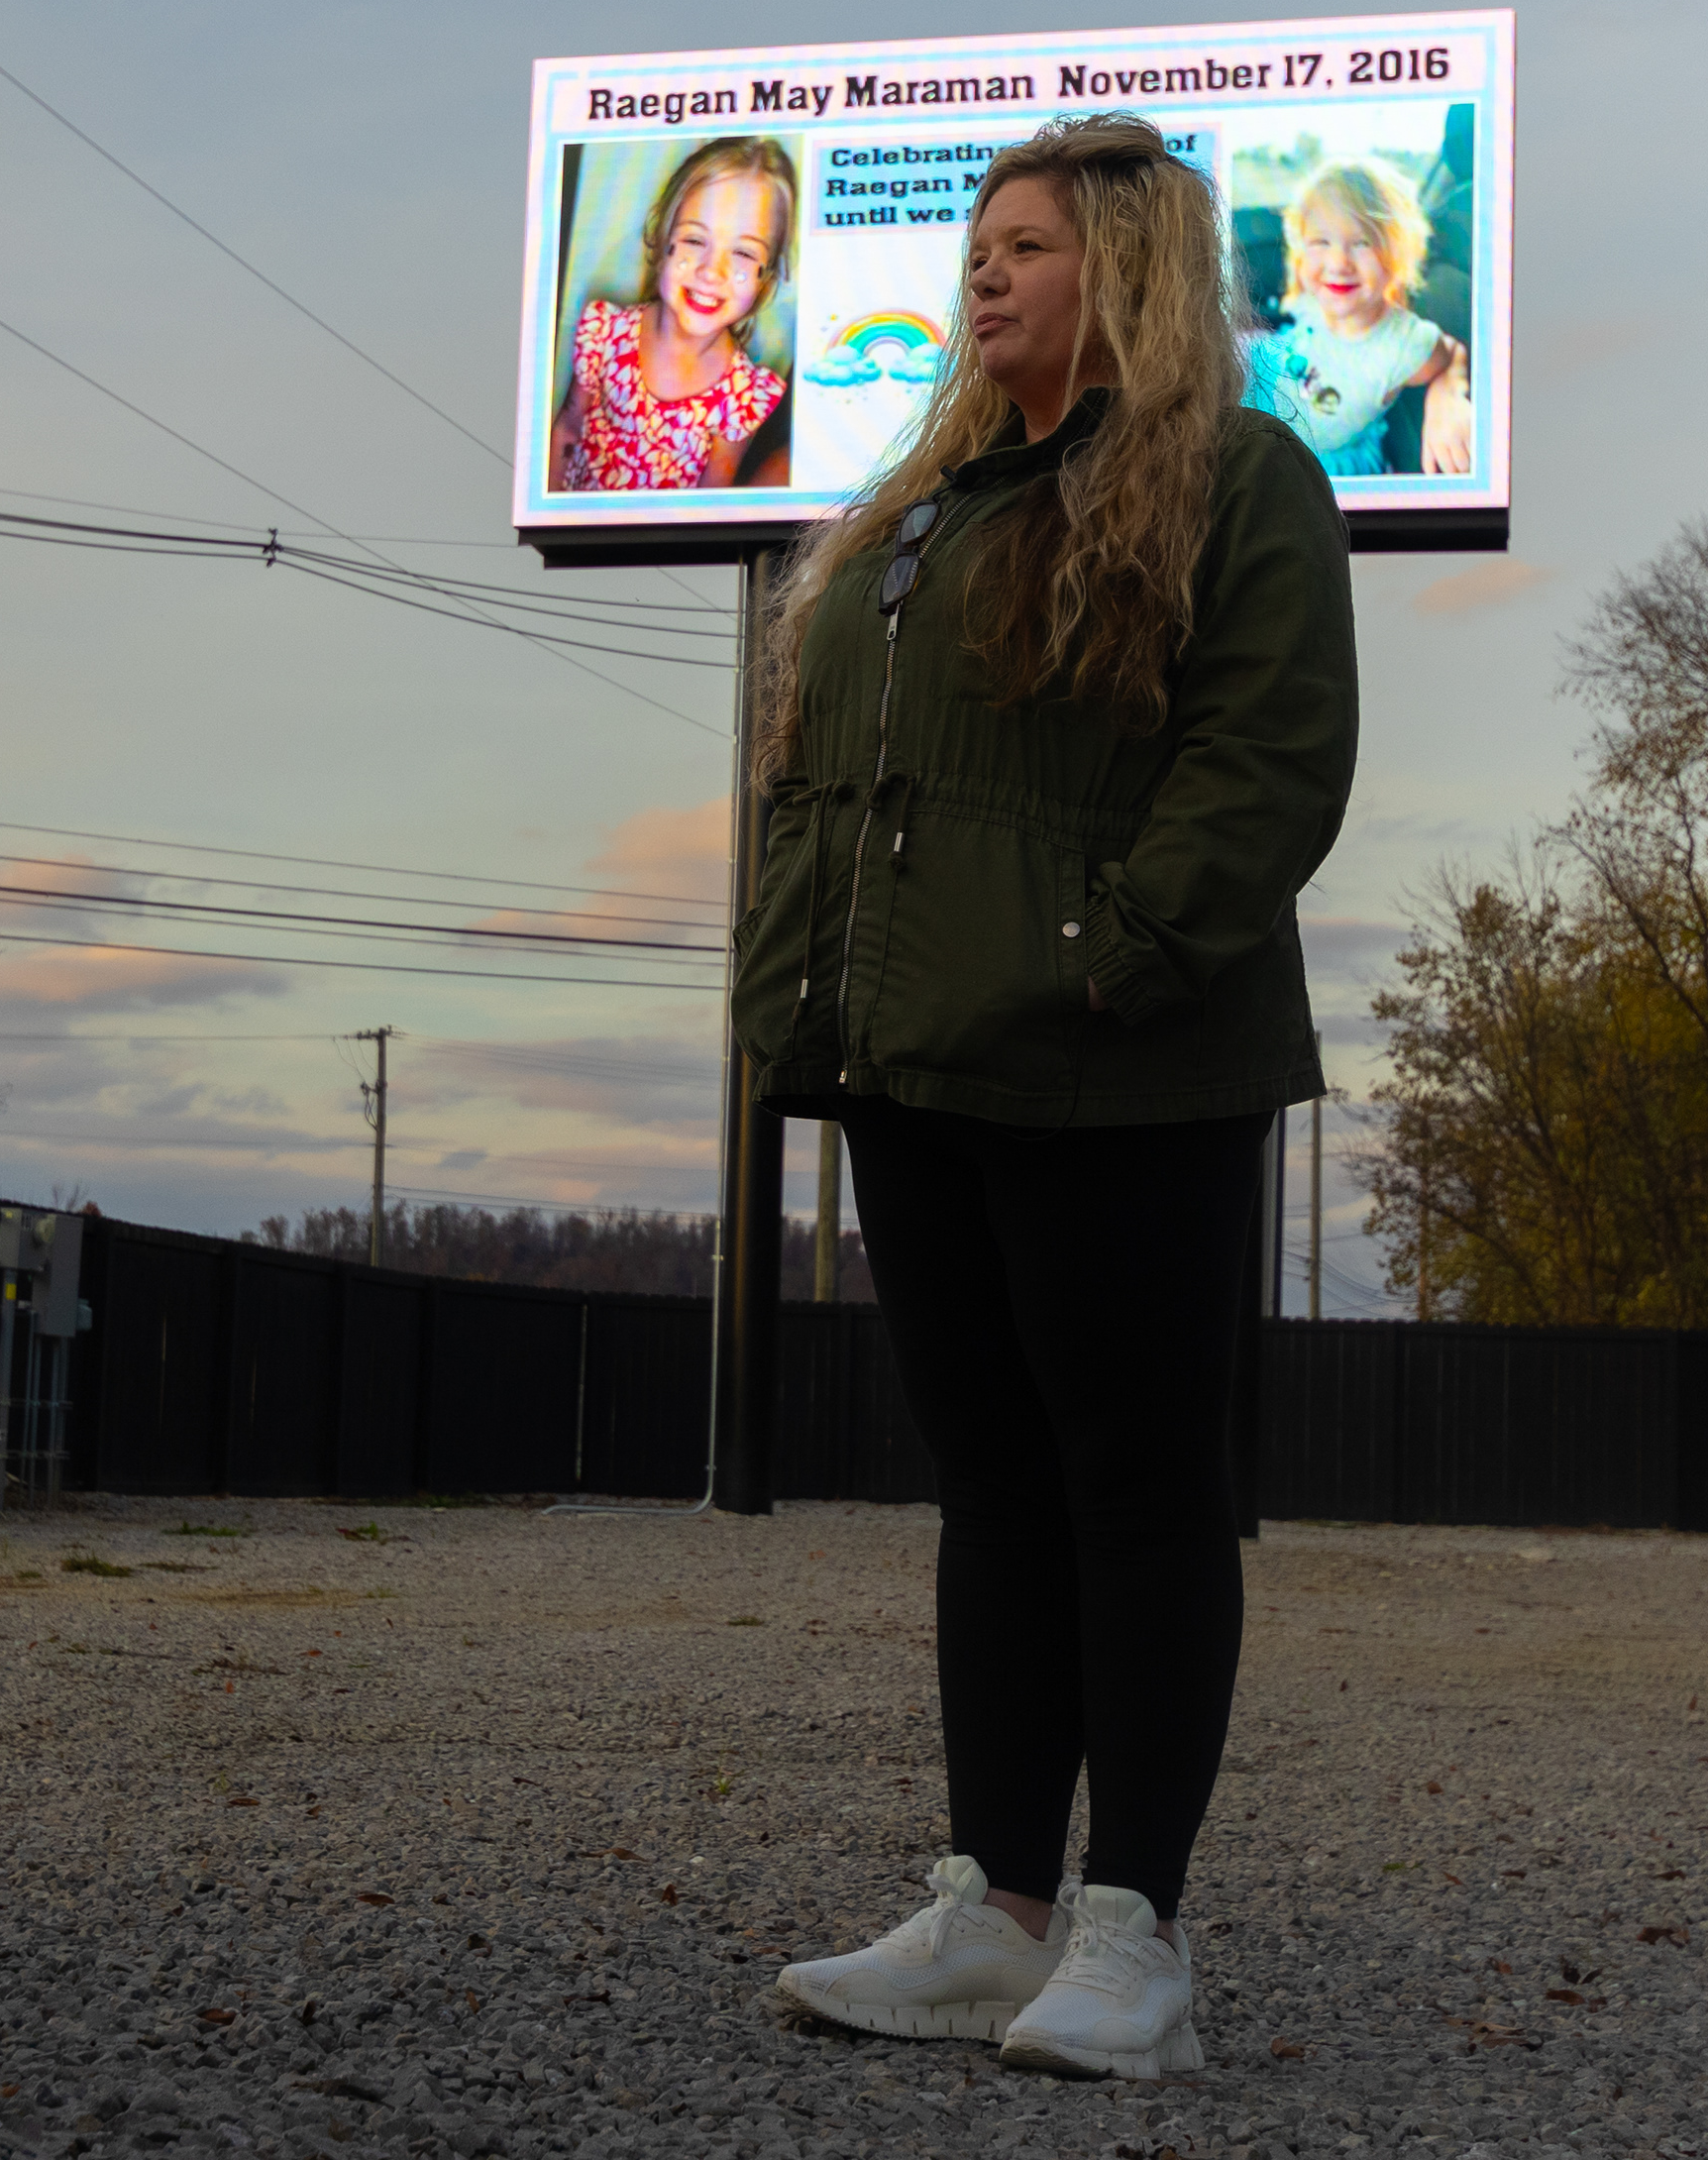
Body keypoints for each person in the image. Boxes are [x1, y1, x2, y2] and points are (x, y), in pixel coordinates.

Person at [738, 114, 1358, 2080]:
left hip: (1127, 1073)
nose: (984, 273)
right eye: (978, 246)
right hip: (919, 1065)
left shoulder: (1243, 479)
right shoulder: (922, 504)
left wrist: (1104, 958)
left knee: (1140, 1487)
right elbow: (823, 786)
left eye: (1028, 244)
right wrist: (799, 1003)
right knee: (995, 1487)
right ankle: (995, 1910)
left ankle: (1130, 1930)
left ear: (1133, 270)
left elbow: (1266, 763)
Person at [551, 134, 797, 490]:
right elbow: (567, 431)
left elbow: (713, 495)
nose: (712, 272)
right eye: (695, 240)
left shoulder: (742, 396)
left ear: (766, 282)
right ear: (661, 237)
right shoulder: (604, 334)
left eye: (743, 253)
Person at [1243, 153, 1469, 477]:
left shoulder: (1402, 344)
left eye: (1362, 243)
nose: (1338, 263)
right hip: (1278, 391)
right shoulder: (1317, 300)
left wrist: (1448, 390)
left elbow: (1450, 352)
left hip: (1316, 465)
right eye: (1321, 241)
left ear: (1396, 253)